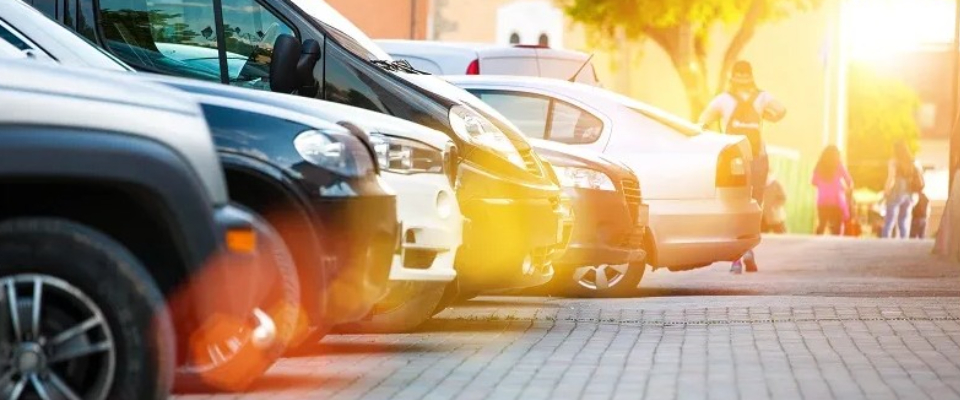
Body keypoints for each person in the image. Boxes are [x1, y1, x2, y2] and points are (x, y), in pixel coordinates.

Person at [699, 60, 787, 273]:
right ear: (751, 76)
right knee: (754, 206)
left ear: (732, 77)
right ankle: (748, 250)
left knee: (735, 205)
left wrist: (714, 138)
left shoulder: (723, 100)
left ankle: (738, 257)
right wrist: (767, 116)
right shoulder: (762, 98)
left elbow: (702, 122)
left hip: (734, 160)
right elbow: (782, 110)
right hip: (758, 158)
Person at [882, 141, 924, 238]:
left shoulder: (894, 162)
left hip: (897, 190)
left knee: (889, 221)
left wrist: (886, 190)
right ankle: (903, 242)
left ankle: (884, 241)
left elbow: (891, 178)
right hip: (910, 194)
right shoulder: (913, 162)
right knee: (903, 221)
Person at [811, 145, 854, 235]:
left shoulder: (819, 166)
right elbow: (849, 181)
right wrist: (846, 189)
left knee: (821, 225)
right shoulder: (838, 165)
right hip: (836, 201)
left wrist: (823, 185)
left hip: (822, 200)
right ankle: (836, 245)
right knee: (836, 228)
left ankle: (814, 244)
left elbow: (813, 182)